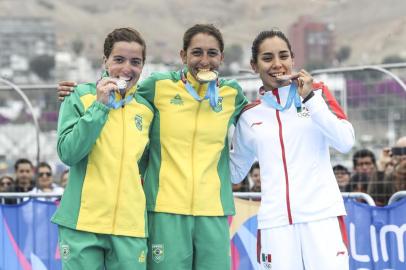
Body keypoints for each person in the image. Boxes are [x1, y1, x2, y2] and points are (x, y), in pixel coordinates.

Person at [58, 23, 248, 270]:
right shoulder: (155, 88)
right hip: (154, 210)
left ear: (221, 57)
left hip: (202, 211)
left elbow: (259, 113)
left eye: (212, 53)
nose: (204, 60)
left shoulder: (232, 94)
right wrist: (86, 97)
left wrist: (304, 97)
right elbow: (70, 150)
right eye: (197, 52)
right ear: (183, 56)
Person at [230, 29, 354, 270]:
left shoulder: (317, 94)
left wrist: (310, 100)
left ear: (293, 59)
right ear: (254, 65)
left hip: (321, 218)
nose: (277, 64)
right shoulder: (249, 115)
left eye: (283, 56)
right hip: (275, 225)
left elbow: (345, 142)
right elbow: (235, 172)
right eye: (267, 58)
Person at [51, 27, 153, 270]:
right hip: (83, 223)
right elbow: (68, 153)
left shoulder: (147, 110)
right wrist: (100, 107)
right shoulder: (79, 97)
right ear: (105, 61)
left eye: (135, 62)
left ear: (143, 66)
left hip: (130, 226)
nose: (127, 68)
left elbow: (143, 165)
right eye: (119, 59)